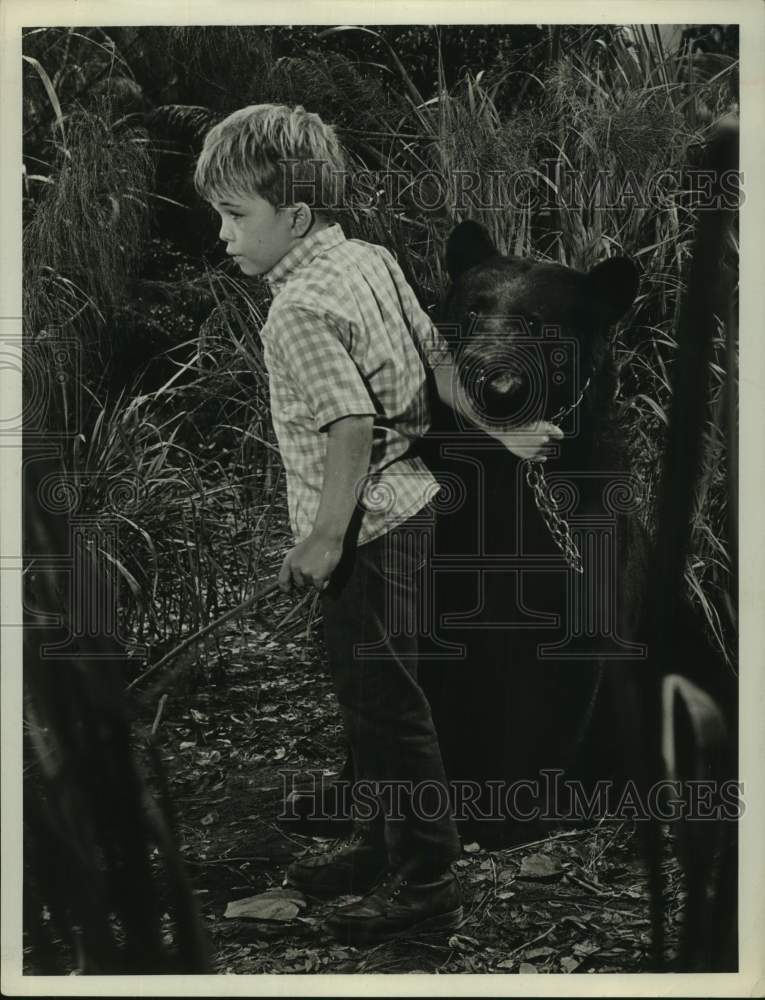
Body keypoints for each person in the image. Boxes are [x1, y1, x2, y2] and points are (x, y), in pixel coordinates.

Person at [194, 103, 562, 945]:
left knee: (385, 705)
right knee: (375, 696)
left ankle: (427, 875)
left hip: (369, 528)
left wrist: (325, 539)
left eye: (233, 215)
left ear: (292, 217)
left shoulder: (297, 311)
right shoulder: (368, 258)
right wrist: (498, 430)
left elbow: (350, 428)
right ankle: (377, 841)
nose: (221, 235)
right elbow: (437, 357)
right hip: (413, 516)